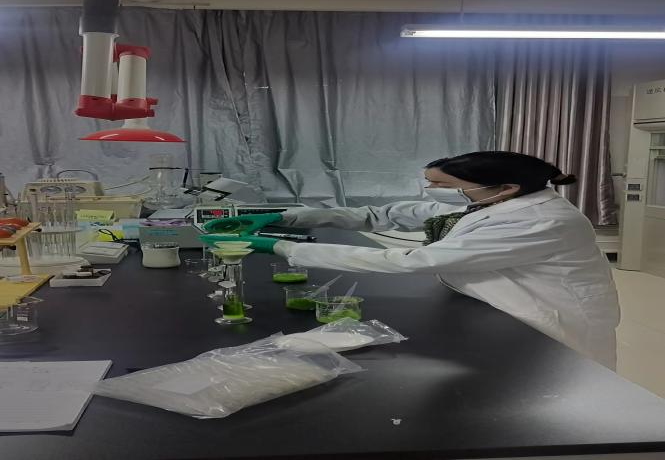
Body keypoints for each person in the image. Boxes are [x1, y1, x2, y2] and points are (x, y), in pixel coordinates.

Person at [202, 151, 621, 369]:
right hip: (487, 303)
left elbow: (409, 260)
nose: (433, 192)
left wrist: (281, 247)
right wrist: (286, 217)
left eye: (443, 185)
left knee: (550, 391)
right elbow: (380, 215)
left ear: (505, 187)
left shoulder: (539, 221)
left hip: (547, 317)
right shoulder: (486, 199)